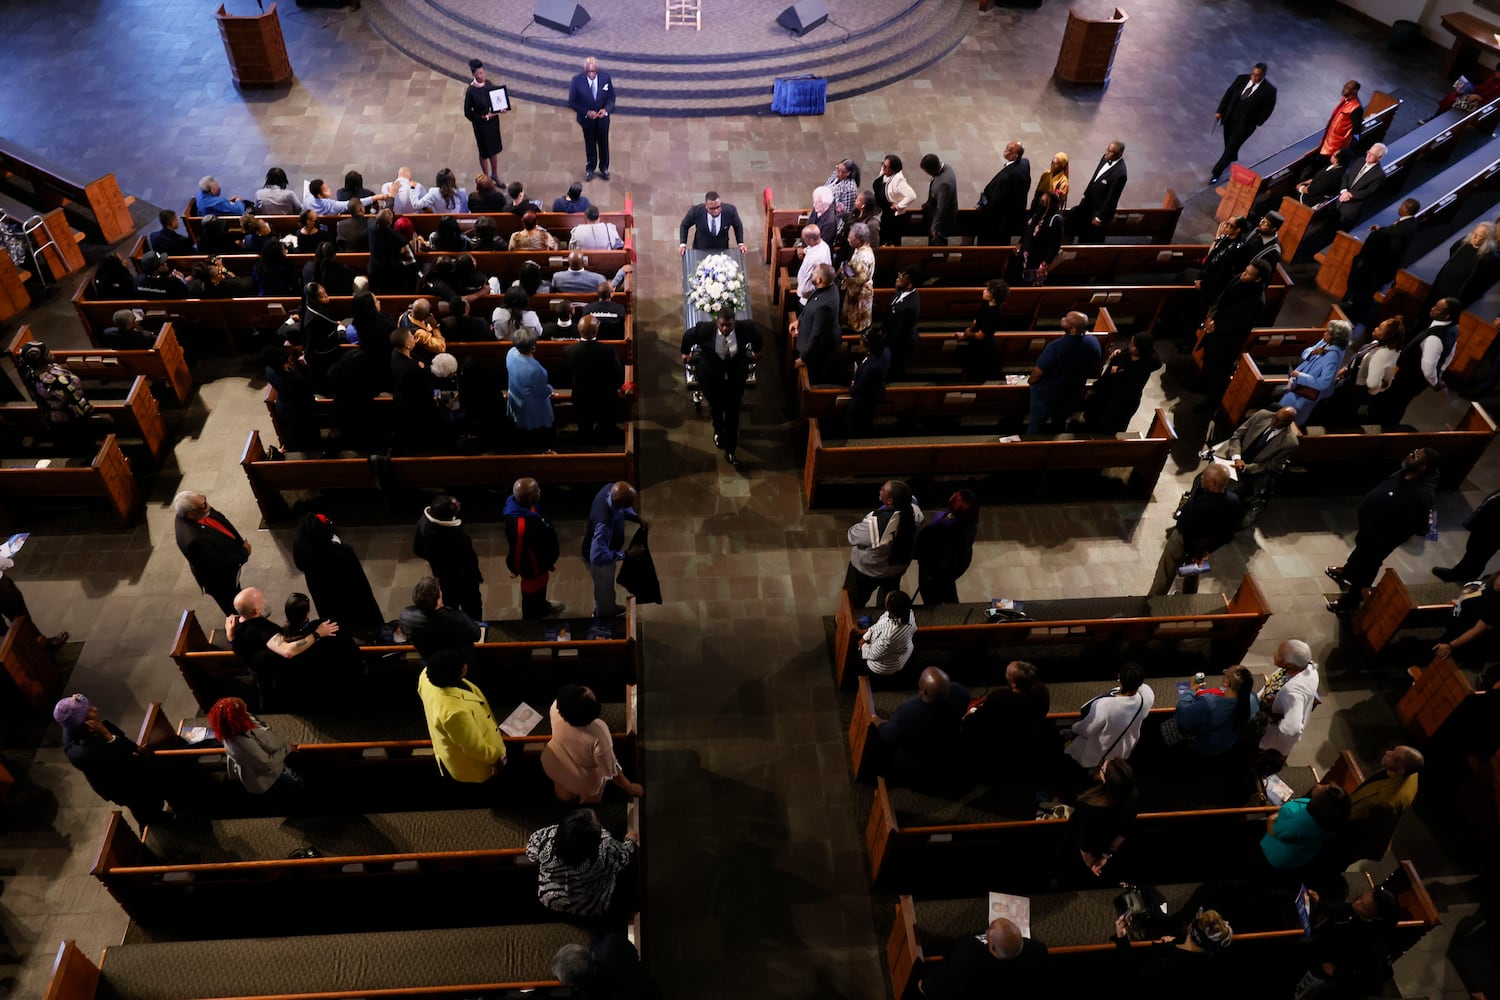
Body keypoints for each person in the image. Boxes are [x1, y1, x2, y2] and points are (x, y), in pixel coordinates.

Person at [1326, 449, 1440, 613]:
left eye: (1415, 456)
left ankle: (1351, 601)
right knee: (1359, 553)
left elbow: (1421, 526)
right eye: (1414, 451)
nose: (1410, 454)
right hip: (1369, 528)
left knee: (1368, 567)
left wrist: (1389, 530)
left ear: (1422, 467)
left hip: (1382, 538)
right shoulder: (1406, 471)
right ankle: (1348, 573)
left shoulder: (1422, 495)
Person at [55, 694, 169, 830]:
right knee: (145, 804)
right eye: (89, 710)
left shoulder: (73, 725)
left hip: (118, 769)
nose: (95, 709)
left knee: (147, 800)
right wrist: (107, 734)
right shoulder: (87, 752)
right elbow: (124, 760)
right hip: (121, 783)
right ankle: (154, 826)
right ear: (85, 723)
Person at [680, 307, 760, 466]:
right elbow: (688, 336)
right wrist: (686, 352)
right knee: (716, 407)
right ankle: (718, 430)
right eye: (722, 325)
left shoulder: (745, 328)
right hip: (711, 376)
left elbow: (758, 336)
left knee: (733, 411)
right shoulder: (705, 329)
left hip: (735, 376)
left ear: (734, 323)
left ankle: (731, 450)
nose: (725, 329)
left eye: (729, 325)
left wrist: (756, 351)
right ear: (717, 322)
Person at [527, 807, 638, 920]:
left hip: (552, 899)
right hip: (592, 903)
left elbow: (531, 853)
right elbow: (624, 858)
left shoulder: (544, 840)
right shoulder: (606, 850)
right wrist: (630, 841)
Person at [417, 647, 506, 782]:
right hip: (474, 767)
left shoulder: (426, 674)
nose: (466, 664)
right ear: (457, 672)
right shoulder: (455, 712)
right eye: (462, 664)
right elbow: (473, 747)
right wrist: (495, 758)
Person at [1152, 463, 1242, 596]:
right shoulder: (1233, 501)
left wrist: (1191, 551)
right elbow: (1228, 533)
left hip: (1183, 542)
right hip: (1203, 548)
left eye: (1204, 476)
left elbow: (1185, 527)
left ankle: (1154, 599)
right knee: (1193, 573)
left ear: (1213, 482)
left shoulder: (1201, 505)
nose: (1201, 478)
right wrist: (1206, 551)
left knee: (1166, 571)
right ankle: (1188, 598)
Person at [1296, 886, 1402, 999]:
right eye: (1361, 898)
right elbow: (1346, 909)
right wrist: (1320, 903)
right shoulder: (1360, 911)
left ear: (1375, 917)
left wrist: (1336, 972)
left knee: (1302, 992)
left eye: (1363, 906)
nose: (1357, 902)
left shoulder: (1373, 945)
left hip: (1323, 972)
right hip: (1321, 953)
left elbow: (1374, 986)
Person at [543, 684, 643, 803]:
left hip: (554, 762)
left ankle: (564, 799)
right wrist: (629, 787)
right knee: (590, 799)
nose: (586, 688)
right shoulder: (598, 732)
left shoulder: (555, 707)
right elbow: (610, 770)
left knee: (562, 786)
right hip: (582, 779)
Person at [1368, 298, 1460, 426]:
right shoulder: (1453, 328)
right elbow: (1450, 353)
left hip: (1409, 377)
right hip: (1414, 379)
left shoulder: (1435, 338)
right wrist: (1440, 372)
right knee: (1398, 401)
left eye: (1438, 308)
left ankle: (1380, 425)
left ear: (1447, 315)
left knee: (1394, 402)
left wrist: (1435, 382)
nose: (1433, 308)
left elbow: (1427, 367)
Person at [877, 666, 970, 791]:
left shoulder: (909, 712)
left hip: (917, 761)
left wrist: (879, 724)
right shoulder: (961, 692)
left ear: (923, 691)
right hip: (948, 747)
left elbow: (888, 735)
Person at [1326, 745, 1422, 866]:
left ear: (1401, 770)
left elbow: (1363, 830)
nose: (1387, 752)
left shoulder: (1386, 802)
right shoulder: (1410, 772)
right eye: (1392, 750)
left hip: (1353, 839)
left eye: (1393, 756)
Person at [1198, 259, 1271, 409]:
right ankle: (1201, 384)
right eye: (1245, 270)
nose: (1243, 274)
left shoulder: (1257, 300)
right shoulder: (1239, 278)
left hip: (1229, 340)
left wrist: (1215, 327)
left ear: (1258, 279)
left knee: (1220, 371)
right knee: (1208, 358)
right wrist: (1211, 317)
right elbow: (1222, 298)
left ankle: (1210, 403)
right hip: (1216, 328)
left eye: (1249, 273)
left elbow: (1238, 324)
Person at [960, 660, 1051, 778]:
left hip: (1003, 742)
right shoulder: (1042, 691)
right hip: (1029, 735)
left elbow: (979, 721)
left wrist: (969, 715)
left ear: (1013, 684)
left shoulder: (999, 698)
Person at [918, 917, 1049, 998]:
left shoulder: (967, 958)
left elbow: (924, 987)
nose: (986, 932)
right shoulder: (1039, 950)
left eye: (989, 929)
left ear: (992, 949)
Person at [845, 479, 923, 608]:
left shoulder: (876, 525)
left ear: (890, 501)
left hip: (868, 571)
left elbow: (852, 536)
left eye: (883, 489)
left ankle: (848, 622)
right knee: (888, 602)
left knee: (854, 602)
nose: (880, 488)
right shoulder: (915, 511)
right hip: (896, 570)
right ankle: (886, 617)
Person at [1110, 907, 1232, 989]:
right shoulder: (1213, 963)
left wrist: (1121, 937)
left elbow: (1134, 974)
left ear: (1190, 927)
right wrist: (1172, 945)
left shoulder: (1168, 964)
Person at [1064, 662, 1155, 771]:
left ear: (1119, 677)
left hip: (1100, 754)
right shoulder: (1147, 697)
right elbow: (1144, 687)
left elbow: (1087, 730)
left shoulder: (1105, 706)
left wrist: (1074, 728)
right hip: (1123, 751)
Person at [1201, 405, 1301, 503]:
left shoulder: (1290, 442)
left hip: (1253, 473)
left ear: (1288, 423)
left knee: (1228, 495)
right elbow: (1237, 436)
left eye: (1280, 421)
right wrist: (1237, 458)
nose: (1274, 421)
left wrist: (1246, 468)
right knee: (1207, 477)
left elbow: (1272, 466)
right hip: (1234, 457)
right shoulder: (1262, 415)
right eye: (1275, 417)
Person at [1313, 317, 1403, 426]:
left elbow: (1374, 384)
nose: (1375, 328)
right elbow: (1358, 359)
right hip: (1348, 381)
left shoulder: (1380, 356)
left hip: (1352, 391)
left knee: (1336, 414)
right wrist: (1346, 369)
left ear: (1387, 336)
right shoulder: (1376, 343)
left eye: (1380, 329)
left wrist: (1362, 387)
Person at [173, 490, 250, 616]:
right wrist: (244, 553)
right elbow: (219, 563)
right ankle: (240, 624)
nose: (208, 506)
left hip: (226, 559)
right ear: (191, 514)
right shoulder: (193, 541)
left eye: (204, 499)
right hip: (220, 580)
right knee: (231, 603)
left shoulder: (198, 509)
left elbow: (221, 521)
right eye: (204, 505)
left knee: (237, 592)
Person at [208, 696, 302, 798]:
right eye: (242, 712)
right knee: (294, 785)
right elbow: (267, 762)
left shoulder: (229, 730)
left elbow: (252, 722)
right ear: (237, 719)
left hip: (263, 767)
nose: (246, 712)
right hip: (266, 774)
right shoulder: (242, 744)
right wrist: (286, 749)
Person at [1342, 198, 1420, 320]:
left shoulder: (1404, 229)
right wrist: (1380, 229)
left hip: (1378, 267)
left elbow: (1391, 239)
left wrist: (1378, 234)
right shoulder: (1412, 223)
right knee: (1365, 290)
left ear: (1407, 209)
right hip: (1379, 266)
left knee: (1366, 291)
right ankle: (1354, 308)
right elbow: (1392, 231)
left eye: (1402, 206)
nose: (1399, 208)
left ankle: (1353, 314)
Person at [414, 494, 484, 622]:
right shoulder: (455, 536)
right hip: (463, 579)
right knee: (472, 607)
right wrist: (476, 576)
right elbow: (469, 560)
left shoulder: (424, 521)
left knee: (451, 606)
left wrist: (434, 559)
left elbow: (417, 549)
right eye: (455, 505)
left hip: (443, 577)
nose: (459, 504)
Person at [1028, 310, 1101, 433]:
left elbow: (1038, 371)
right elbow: (1095, 367)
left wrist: (1031, 381)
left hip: (1047, 393)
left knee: (1037, 421)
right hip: (1072, 391)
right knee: (1061, 420)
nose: (1063, 318)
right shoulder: (1093, 342)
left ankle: (1031, 444)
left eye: (1067, 319)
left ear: (1073, 330)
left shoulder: (1056, 346)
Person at [1253, 639, 1321, 769]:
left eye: (1279, 654)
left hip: (1267, 726)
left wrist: (1274, 722)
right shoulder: (1306, 667)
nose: (1274, 653)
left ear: (1290, 664)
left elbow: (1292, 728)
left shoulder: (1293, 692)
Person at [503, 478, 565, 620]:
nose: (540, 491)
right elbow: (518, 551)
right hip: (532, 567)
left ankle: (542, 605)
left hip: (541, 562)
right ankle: (532, 620)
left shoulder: (523, 504)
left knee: (540, 589)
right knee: (531, 595)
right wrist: (515, 568)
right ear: (531, 497)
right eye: (537, 490)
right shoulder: (521, 526)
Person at [584, 481, 645, 621]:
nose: (631, 508)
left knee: (608, 591)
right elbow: (597, 556)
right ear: (619, 503)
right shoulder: (604, 524)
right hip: (601, 561)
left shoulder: (611, 488)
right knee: (604, 591)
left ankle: (609, 607)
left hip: (607, 547)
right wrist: (626, 554)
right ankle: (605, 618)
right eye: (629, 505)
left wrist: (635, 517)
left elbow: (623, 509)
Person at [15, 340, 95, 447]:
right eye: (47, 353)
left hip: (52, 417)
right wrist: (87, 412)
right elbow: (74, 401)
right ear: (39, 361)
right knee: (84, 442)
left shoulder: (31, 373)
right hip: (72, 418)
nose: (51, 353)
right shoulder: (58, 380)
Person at [1260, 782, 1350, 874]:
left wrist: (1273, 817)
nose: (1319, 785)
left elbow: (1274, 830)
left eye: (1323, 788)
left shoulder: (1301, 823)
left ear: (1321, 801)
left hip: (1273, 856)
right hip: (1298, 856)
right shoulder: (1328, 821)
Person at [1166, 665, 1258, 755]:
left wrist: (1190, 691)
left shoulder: (1209, 704)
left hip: (1205, 747)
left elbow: (1182, 717)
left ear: (1227, 682)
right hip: (1228, 744)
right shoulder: (1253, 698)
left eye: (1226, 672)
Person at [1210, 62, 1277, 183]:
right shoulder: (1241, 79)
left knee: (1230, 147)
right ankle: (1232, 155)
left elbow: (1269, 108)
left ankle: (1216, 172)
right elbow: (1228, 94)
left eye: (1257, 75)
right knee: (1229, 144)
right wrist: (1220, 111)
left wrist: (1258, 122)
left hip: (1245, 126)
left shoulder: (1269, 90)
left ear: (1263, 75)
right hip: (1229, 119)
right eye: (1253, 74)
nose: (1254, 77)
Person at [1071, 758, 1137, 879]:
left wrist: (1090, 863)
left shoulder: (1088, 807)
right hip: (1108, 845)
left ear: (1106, 779)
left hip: (1084, 851)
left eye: (1102, 768)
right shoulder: (1130, 798)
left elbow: (1084, 844)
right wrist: (1106, 855)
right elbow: (1127, 829)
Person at [564, 314, 626, 443]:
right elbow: (618, 374)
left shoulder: (569, 350)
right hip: (605, 395)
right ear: (596, 331)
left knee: (584, 424)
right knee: (607, 423)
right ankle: (606, 437)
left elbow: (566, 374)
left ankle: (585, 440)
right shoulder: (608, 350)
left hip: (581, 395)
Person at [1081, 332, 1159, 433]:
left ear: (1141, 349)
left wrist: (1117, 373)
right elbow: (1108, 374)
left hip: (1121, 403)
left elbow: (1128, 387)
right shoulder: (1127, 353)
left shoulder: (1145, 366)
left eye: (1133, 345)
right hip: (1106, 393)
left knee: (1107, 427)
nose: (1130, 346)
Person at [913, 489, 979, 604]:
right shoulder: (970, 524)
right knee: (949, 594)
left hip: (934, 570)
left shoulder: (942, 529)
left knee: (932, 599)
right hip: (951, 569)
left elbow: (923, 544)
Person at [1279, 320, 1350, 426]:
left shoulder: (1333, 356)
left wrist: (1300, 376)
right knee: (1282, 412)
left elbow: (1324, 383)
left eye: (1327, 333)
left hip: (1306, 392)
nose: (1324, 334)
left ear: (1335, 338)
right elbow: (1306, 352)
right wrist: (1313, 352)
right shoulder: (1326, 342)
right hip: (1298, 385)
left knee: (1289, 419)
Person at [400, 576, 482, 661]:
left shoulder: (405, 617)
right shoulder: (457, 619)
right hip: (457, 662)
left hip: (431, 661)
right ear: (438, 601)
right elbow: (476, 635)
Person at [1427, 221, 1500, 311]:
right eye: (1475, 234)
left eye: (1481, 238)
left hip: (1458, 295)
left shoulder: (1491, 258)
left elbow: (1487, 281)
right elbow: (1452, 251)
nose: (1475, 239)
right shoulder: (1463, 243)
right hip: (1440, 286)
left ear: (1488, 239)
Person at [1433, 487, 1500, 581]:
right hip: (1487, 524)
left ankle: (1460, 575)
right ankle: (1467, 573)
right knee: (1474, 552)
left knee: (1477, 554)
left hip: (1492, 530)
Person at [506, 328, 555, 451]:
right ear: (533, 347)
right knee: (536, 432)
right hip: (531, 406)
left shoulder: (510, 353)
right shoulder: (535, 370)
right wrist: (550, 389)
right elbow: (542, 391)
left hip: (515, 396)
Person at [791, 263, 840, 384]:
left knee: (812, 376)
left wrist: (803, 358)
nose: (812, 273)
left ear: (820, 280)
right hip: (810, 333)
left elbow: (816, 335)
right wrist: (800, 320)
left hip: (818, 350)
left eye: (814, 273)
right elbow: (811, 304)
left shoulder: (825, 306)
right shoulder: (827, 287)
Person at [1069, 140, 1128, 239]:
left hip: (1098, 211)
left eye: (1111, 152)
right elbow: (1094, 178)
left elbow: (1112, 198)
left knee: (1092, 237)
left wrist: (1100, 217)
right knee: (1082, 233)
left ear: (1120, 154)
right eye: (1107, 150)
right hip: (1089, 205)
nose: (1107, 154)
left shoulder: (1120, 174)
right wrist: (1085, 194)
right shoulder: (1105, 158)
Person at [568, 57, 615, 181]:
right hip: (587, 121)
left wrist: (606, 110)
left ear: (597, 69)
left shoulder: (605, 78)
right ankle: (590, 168)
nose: (592, 74)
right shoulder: (577, 81)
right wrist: (587, 112)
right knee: (590, 144)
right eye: (589, 71)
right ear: (585, 70)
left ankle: (604, 168)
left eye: (594, 71)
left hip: (602, 120)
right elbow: (572, 102)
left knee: (603, 144)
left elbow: (611, 98)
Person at [977, 140, 1031, 245]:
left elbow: (996, 201)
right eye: (1006, 147)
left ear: (1015, 156)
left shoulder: (1007, 177)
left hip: (999, 220)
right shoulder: (1024, 163)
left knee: (993, 241)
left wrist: (984, 207)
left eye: (1009, 150)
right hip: (1013, 215)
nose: (1005, 150)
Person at [955, 278, 1006, 383]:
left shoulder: (994, 314)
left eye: (987, 290)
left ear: (994, 296)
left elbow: (980, 335)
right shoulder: (986, 304)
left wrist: (968, 334)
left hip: (983, 348)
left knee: (976, 375)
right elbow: (976, 321)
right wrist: (965, 334)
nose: (983, 291)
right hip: (975, 343)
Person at [463, 58, 507, 181]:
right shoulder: (471, 91)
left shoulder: (488, 83)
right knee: (484, 152)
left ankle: (495, 174)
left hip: (493, 123)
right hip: (481, 126)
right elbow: (467, 113)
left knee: (494, 149)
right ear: (473, 75)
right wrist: (484, 117)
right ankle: (486, 178)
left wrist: (500, 108)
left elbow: (494, 99)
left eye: (483, 72)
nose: (482, 75)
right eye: (479, 74)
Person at [858, 589, 916, 676]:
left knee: (856, 657)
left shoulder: (888, 635)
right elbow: (880, 624)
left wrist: (863, 645)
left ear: (890, 609)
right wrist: (865, 636)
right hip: (901, 650)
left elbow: (873, 654)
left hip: (884, 665)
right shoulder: (909, 613)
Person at [845, 329, 890, 438]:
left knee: (858, 427)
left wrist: (852, 387)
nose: (860, 346)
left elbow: (859, 389)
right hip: (874, 389)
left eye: (862, 345)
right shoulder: (885, 351)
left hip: (864, 399)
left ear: (869, 347)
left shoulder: (873, 366)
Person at [1016, 188, 1064, 284]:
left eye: (1044, 202)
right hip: (1029, 254)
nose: (1041, 204)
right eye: (1041, 201)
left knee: (1032, 282)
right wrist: (1021, 243)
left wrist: (1045, 263)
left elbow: (1055, 245)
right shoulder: (1039, 213)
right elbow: (1029, 230)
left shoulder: (1056, 220)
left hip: (1039, 258)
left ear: (1050, 204)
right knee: (1023, 281)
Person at [1335, 143, 1388, 228]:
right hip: (1341, 196)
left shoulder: (1379, 174)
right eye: (1368, 152)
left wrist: (1350, 194)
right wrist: (1344, 191)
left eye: (1372, 154)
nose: (1368, 155)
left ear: (1379, 158)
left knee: (1340, 227)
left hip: (1352, 206)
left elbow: (1369, 191)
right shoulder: (1360, 161)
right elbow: (1347, 175)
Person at [881, 267, 921, 377]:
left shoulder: (910, 307)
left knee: (894, 367)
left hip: (900, 344)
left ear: (910, 283)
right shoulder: (901, 290)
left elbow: (900, 333)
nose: (898, 279)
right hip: (891, 334)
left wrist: (886, 342)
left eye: (902, 277)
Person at [678, 191, 746, 254]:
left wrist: (740, 244)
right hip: (701, 249)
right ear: (706, 206)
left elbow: (738, 226)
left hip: (721, 249)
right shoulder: (696, 211)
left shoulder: (730, 211)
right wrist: (683, 244)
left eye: (718, 207)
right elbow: (684, 225)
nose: (716, 211)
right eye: (712, 208)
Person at [873, 153, 918, 245]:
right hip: (881, 212)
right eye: (883, 164)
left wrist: (898, 206)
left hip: (891, 217)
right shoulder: (885, 173)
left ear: (893, 170)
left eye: (886, 166)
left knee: (889, 240)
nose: (883, 168)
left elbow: (912, 195)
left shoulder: (899, 181)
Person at [840, 222, 876, 333]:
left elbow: (859, 281)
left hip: (859, 295)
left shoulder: (863, 258)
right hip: (856, 291)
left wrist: (844, 276)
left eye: (851, 237)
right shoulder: (859, 248)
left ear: (859, 240)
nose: (848, 239)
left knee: (857, 324)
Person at [918, 153, 957, 245]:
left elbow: (941, 208)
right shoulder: (946, 167)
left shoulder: (944, 184)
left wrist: (934, 227)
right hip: (933, 208)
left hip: (941, 222)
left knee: (937, 244)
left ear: (933, 169)